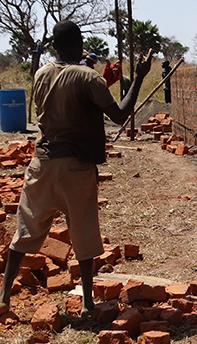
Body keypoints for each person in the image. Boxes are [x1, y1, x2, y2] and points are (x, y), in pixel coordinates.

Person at [0, 20, 153, 316]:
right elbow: (119, 115)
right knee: (83, 232)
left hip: (42, 163)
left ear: (55, 45)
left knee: (25, 228)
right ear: (80, 43)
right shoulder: (88, 77)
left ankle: (3, 295)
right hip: (76, 166)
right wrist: (138, 78)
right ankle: (87, 303)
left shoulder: (41, 73)